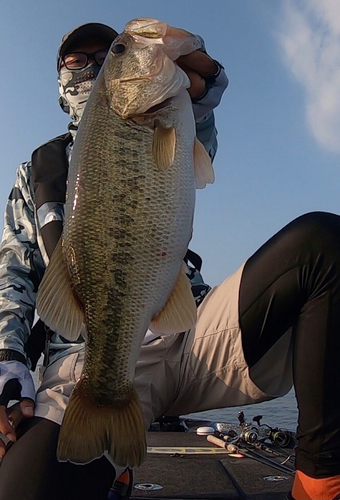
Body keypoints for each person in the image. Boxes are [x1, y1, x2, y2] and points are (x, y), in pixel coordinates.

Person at [0, 21, 339, 500]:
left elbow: (200, 116)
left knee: (322, 245)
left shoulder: (173, 114)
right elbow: (12, 273)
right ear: (61, 79)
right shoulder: (36, 172)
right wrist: (9, 360)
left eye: (107, 54)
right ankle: (111, 457)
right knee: (24, 491)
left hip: (193, 335)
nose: (95, 63)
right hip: (92, 358)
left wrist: (199, 71)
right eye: (79, 59)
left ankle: (320, 482)